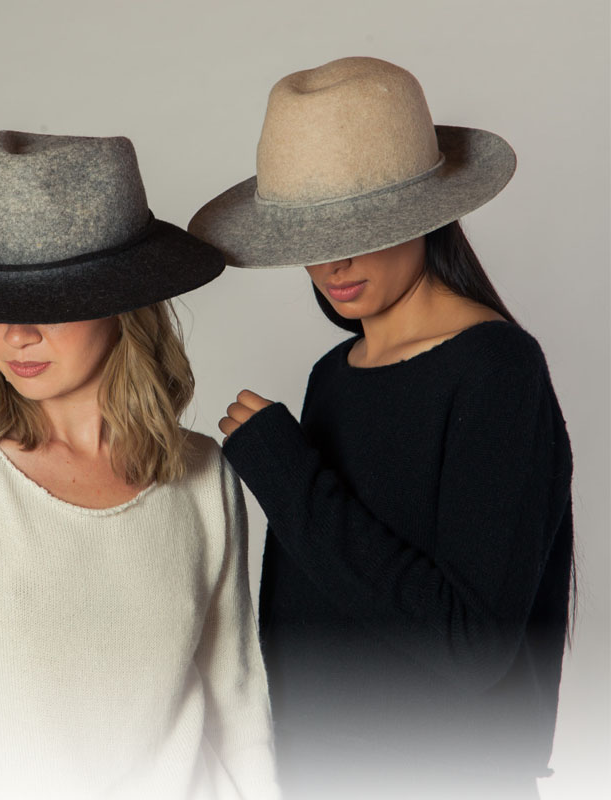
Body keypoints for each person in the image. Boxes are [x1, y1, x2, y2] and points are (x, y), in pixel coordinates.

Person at [188, 57, 574, 800]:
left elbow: (473, 643)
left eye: (361, 228)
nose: (334, 262)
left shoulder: (496, 369)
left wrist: (289, 480)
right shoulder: (333, 376)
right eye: (311, 235)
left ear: (424, 215)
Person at [0, 131, 279, 800]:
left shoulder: (203, 473)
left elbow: (239, 711)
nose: (16, 335)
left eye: (47, 302)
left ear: (122, 302)